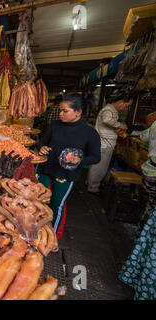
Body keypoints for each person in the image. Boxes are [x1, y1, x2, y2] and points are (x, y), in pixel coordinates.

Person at [36, 94, 101, 238]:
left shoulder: (89, 133)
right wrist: (42, 148)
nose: (60, 114)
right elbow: (41, 142)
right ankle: (32, 233)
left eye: (65, 111)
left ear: (78, 112)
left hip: (65, 175)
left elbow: (96, 157)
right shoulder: (54, 125)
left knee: (56, 205)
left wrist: (80, 159)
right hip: (45, 169)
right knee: (36, 201)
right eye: (60, 110)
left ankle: (51, 237)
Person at [119, 112, 156, 300]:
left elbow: (141, 137)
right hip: (152, 174)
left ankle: (142, 233)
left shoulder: (154, 126)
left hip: (150, 173)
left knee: (150, 214)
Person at [86, 92, 134, 193]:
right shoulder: (109, 110)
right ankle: (93, 188)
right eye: (126, 106)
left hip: (105, 143)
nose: (125, 108)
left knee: (98, 165)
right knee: (99, 167)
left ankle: (91, 183)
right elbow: (107, 120)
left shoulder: (111, 110)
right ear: (121, 102)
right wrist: (121, 125)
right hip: (104, 144)